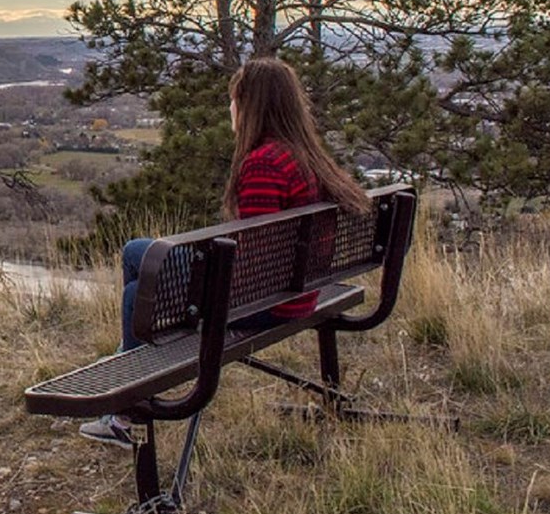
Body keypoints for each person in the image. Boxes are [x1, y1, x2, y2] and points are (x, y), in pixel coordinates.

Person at [80, 57, 372, 447]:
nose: (229, 108)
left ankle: (124, 404)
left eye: (234, 99)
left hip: (268, 301)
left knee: (138, 288)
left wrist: (204, 288)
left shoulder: (265, 164)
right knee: (138, 253)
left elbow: (251, 266)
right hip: (301, 291)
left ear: (251, 105)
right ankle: (125, 368)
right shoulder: (305, 155)